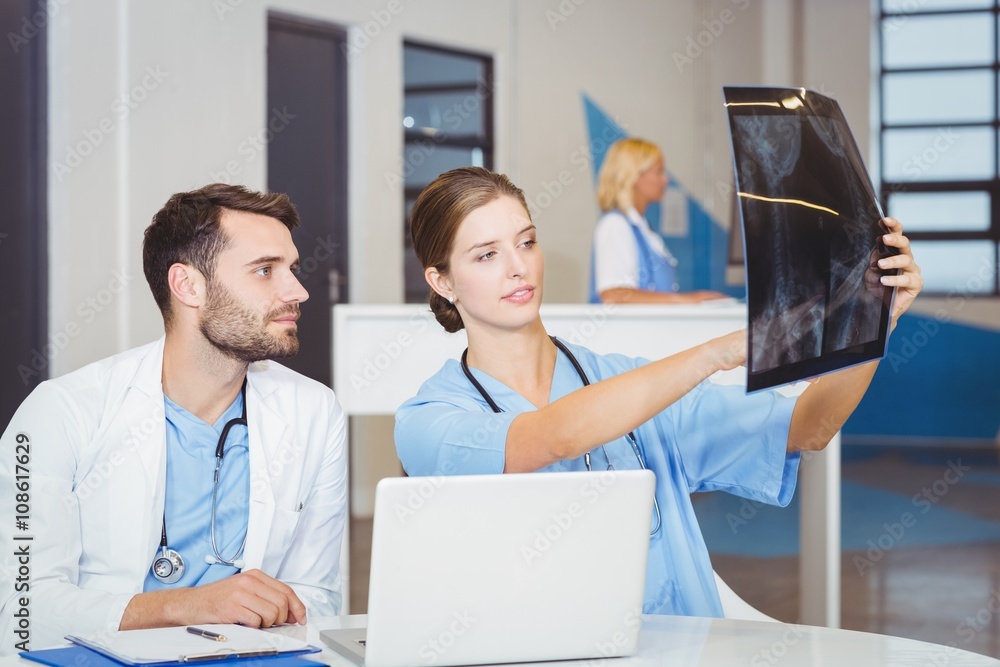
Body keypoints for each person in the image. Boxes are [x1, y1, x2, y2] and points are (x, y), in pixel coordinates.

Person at [395, 167, 922, 617]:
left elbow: (809, 426)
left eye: (526, 241)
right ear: (442, 281)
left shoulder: (630, 384)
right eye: (486, 255)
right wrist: (715, 352)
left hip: (683, 647)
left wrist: (875, 318)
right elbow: (550, 437)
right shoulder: (429, 420)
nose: (518, 266)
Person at [0, 184, 347, 652]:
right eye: (265, 270)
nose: (297, 291)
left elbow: (317, 596)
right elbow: (18, 611)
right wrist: (184, 607)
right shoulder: (61, 411)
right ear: (188, 285)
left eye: (292, 269)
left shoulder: (315, 410)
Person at [590, 137, 728, 304]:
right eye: (659, 171)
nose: (666, 180)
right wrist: (684, 300)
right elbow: (614, 294)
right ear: (633, 176)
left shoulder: (642, 228)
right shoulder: (615, 225)